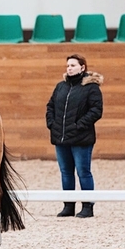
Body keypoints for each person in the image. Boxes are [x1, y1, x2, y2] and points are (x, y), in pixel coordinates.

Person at [46, 54, 103, 218]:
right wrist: (52, 124)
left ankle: (87, 206)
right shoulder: (61, 86)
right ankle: (68, 205)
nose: (69, 68)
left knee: (83, 172)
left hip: (81, 138)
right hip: (61, 138)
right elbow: (50, 106)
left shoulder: (91, 88)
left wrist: (78, 126)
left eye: (72, 65)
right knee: (66, 172)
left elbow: (96, 111)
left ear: (82, 67)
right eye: (67, 66)